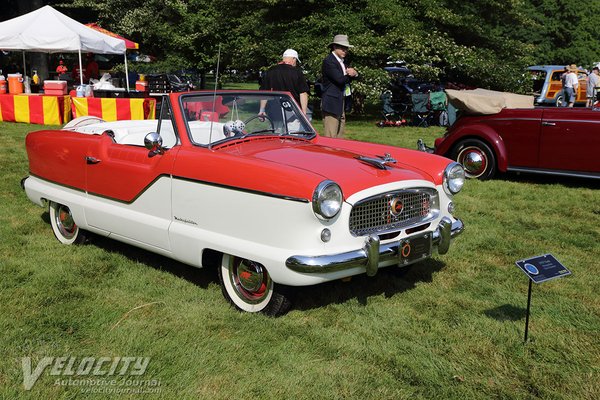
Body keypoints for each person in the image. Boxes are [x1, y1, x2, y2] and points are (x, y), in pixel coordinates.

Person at [320, 34, 358, 138]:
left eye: (346, 48)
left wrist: (355, 73)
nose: (345, 50)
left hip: (340, 99)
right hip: (331, 101)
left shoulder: (342, 61)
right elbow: (340, 79)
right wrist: (351, 74)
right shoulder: (329, 61)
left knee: (339, 135)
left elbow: (346, 77)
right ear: (334, 47)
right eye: (342, 48)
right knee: (331, 135)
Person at [259, 49, 309, 114]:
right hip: (292, 109)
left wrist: (262, 110)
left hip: (275, 109)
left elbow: (265, 92)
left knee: (276, 124)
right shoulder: (297, 72)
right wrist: (304, 112)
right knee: (292, 124)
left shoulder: (271, 70)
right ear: (294, 59)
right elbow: (303, 93)